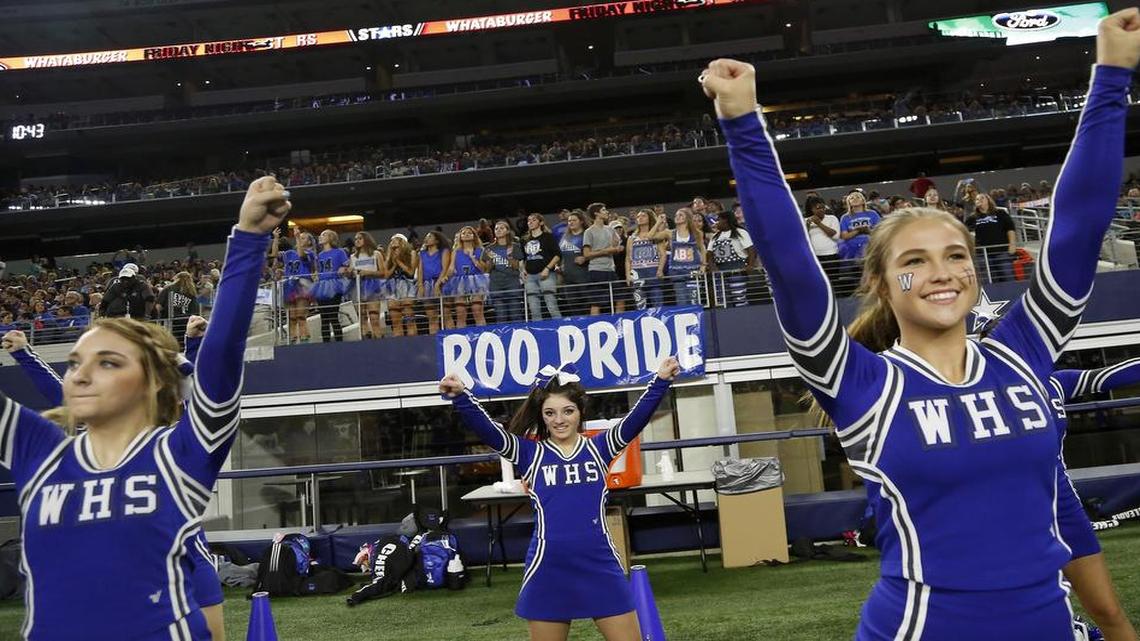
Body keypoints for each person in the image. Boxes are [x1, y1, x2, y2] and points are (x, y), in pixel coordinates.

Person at [699, 10, 1136, 636]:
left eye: (956, 255)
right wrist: (742, 123)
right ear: (881, 283)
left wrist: (1112, 74)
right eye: (915, 261)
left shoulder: (1022, 352)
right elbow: (790, 263)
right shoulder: (861, 384)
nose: (942, 273)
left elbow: (1078, 226)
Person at [0, 175, 287, 640]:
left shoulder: (181, 454)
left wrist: (249, 239)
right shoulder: (43, 451)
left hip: (186, 582)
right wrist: (23, 355)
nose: (80, 375)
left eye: (109, 362)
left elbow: (221, 356)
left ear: (152, 384)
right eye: (75, 363)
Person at [3, 318, 230, 641]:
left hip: (185, 550)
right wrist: (25, 354)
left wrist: (184, 354)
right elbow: (62, 394)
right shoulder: (90, 430)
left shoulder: (177, 441)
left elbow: (207, 401)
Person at [439, 356, 680, 641]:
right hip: (548, 566)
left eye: (567, 411)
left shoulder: (600, 448)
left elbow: (636, 419)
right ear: (542, 415)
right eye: (550, 413)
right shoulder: (530, 454)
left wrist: (661, 381)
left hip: (598, 563)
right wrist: (461, 397)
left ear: (580, 412)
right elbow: (489, 431)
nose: (559, 420)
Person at [1047, 357, 1140, 641]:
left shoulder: (1055, 383)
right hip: (1009, 517)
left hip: (1063, 509)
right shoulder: (970, 393)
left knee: (1107, 609)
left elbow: (1104, 377)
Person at [271, 227, 315, 344]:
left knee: (301, 316)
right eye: (299, 237)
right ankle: (293, 340)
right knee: (292, 317)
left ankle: (305, 340)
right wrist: (275, 239)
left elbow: (301, 255)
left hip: (303, 284)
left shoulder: (310, 254)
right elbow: (274, 254)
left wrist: (296, 237)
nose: (300, 238)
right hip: (289, 284)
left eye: (303, 237)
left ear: (309, 242)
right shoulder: (289, 253)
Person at [706, 210, 755, 307]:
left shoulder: (740, 232)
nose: (716, 223)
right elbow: (709, 254)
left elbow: (751, 250)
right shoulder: (715, 237)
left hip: (737, 268)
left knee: (739, 297)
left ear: (725, 220)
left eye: (718, 220)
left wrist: (750, 265)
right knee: (722, 300)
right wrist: (713, 268)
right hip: (720, 271)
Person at [442, 226, 489, 328]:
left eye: (469, 233)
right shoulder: (455, 251)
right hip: (459, 282)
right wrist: (446, 276)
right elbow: (451, 268)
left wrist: (473, 258)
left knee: (477, 310)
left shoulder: (480, 250)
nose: (466, 234)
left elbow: (484, 269)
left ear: (474, 236)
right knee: (460, 312)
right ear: (460, 237)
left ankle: (482, 335)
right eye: (463, 233)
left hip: (477, 281)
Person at [966, 193, 1017, 283]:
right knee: (987, 280)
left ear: (988, 200)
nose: (979, 200)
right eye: (977, 199)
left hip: (1002, 251)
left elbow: (1010, 229)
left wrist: (1012, 245)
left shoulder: (1000, 213)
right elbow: (969, 235)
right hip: (982, 254)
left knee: (1007, 275)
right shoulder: (972, 218)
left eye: (982, 198)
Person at [582, 203, 623, 316]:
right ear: (596, 213)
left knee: (620, 300)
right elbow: (586, 254)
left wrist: (616, 247)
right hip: (596, 271)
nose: (607, 212)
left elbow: (616, 246)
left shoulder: (610, 229)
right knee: (596, 303)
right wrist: (605, 251)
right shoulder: (589, 232)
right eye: (604, 210)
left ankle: (620, 327)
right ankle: (595, 326)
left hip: (610, 270)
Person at [625, 208, 669, 310]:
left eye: (643, 216)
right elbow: (628, 258)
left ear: (649, 218)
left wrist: (660, 270)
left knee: (657, 302)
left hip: (653, 272)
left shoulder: (656, 235)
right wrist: (628, 274)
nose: (640, 218)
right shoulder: (632, 238)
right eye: (638, 216)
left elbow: (663, 254)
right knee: (640, 304)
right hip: (637, 274)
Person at [521, 213, 561, 320]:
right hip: (530, 276)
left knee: (551, 305)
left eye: (533, 220)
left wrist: (547, 269)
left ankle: (560, 328)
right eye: (529, 220)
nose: (530, 222)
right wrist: (523, 269)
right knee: (534, 309)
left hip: (546, 275)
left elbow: (557, 255)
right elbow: (524, 257)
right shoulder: (525, 239)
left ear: (541, 222)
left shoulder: (548, 237)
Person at [313, 229, 350, 342]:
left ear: (331, 237)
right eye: (320, 235)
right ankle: (326, 344)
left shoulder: (339, 252)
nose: (320, 236)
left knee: (333, 315)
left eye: (324, 234)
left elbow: (348, 265)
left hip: (334, 284)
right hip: (322, 286)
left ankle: (339, 343)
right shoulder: (319, 255)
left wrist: (343, 268)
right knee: (324, 317)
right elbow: (318, 270)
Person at [483, 219, 523, 324]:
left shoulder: (515, 246)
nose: (498, 230)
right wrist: (491, 261)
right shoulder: (488, 248)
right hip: (496, 285)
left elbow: (516, 267)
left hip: (512, 284)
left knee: (516, 315)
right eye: (496, 228)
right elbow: (487, 269)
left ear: (507, 231)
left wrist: (510, 256)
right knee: (501, 316)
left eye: (501, 228)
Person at [665, 207, 706, 306]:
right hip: (677, 272)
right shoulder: (671, 233)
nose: (677, 217)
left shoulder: (697, 233)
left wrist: (703, 267)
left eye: (680, 215)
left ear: (687, 218)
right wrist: (659, 222)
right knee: (681, 300)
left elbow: (703, 250)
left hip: (693, 271)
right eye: (676, 215)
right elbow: (651, 236)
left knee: (694, 299)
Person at [350, 231, 387, 339]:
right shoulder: (353, 256)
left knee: (374, 316)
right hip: (357, 286)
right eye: (356, 239)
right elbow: (351, 273)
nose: (357, 241)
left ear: (366, 239)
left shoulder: (376, 254)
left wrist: (368, 272)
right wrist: (350, 272)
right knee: (362, 317)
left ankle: (379, 337)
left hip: (372, 285)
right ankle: (365, 338)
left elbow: (383, 272)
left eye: (360, 238)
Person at [804, 195, 842, 289]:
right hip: (815, 256)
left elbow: (836, 236)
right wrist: (807, 226)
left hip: (831, 255)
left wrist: (819, 224)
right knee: (818, 283)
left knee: (833, 283)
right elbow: (803, 240)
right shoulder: (805, 221)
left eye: (822, 207)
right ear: (811, 209)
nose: (821, 210)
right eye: (817, 208)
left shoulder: (832, 218)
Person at [417, 230, 451, 334]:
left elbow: (445, 269)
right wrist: (420, 285)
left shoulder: (444, 251)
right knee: (431, 317)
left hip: (442, 284)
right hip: (427, 284)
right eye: (426, 236)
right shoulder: (422, 254)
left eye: (430, 236)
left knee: (446, 315)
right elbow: (420, 270)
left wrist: (438, 284)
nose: (426, 239)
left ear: (437, 240)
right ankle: (434, 340)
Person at [557, 210, 590, 317]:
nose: (570, 222)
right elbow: (560, 255)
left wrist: (585, 258)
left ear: (581, 221)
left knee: (586, 306)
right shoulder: (565, 237)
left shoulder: (586, 235)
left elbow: (595, 251)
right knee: (573, 305)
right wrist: (558, 265)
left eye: (574, 220)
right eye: (569, 221)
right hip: (568, 278)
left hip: (583, 276)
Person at [155, 271, 201, 347]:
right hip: (186, 322)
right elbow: (196, 310)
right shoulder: (192, 292)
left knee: (171, 345)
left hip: (170, 322)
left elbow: (158, 306)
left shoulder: (169, 288)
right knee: (184, 345)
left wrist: (158, 318)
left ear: (177, 278)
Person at [385, 234, 418, 337]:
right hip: (392, 287)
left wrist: (398, 261)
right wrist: (393, 264)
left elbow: (411, 272)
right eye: (391, 240)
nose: (392, 242)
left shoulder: (411, 253)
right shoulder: (389, 256)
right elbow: (385, 275)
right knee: (395, 321)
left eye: (395, 240)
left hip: (407, 286)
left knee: (409, 319)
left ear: (402, 242)